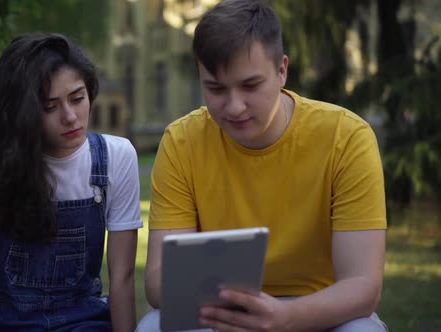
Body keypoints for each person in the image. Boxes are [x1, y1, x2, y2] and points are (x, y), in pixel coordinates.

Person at [137, 0, 388, 331]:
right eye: (215, 88)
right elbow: (157, 282)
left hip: (317, 310)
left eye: (250, 85)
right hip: (218, 311)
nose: (235, 106)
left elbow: (363, 286)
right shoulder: (181, 142)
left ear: (282, 70)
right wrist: (231, 307)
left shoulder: (346, 138)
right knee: (153, 326)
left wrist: (286, 318)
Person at [0, 32, 142, 332]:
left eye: (77, 99)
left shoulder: (116, 157)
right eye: (49, 107)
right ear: (21, 113)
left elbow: (123, 280)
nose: (70, 117)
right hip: (4, 322)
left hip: (83, 323)